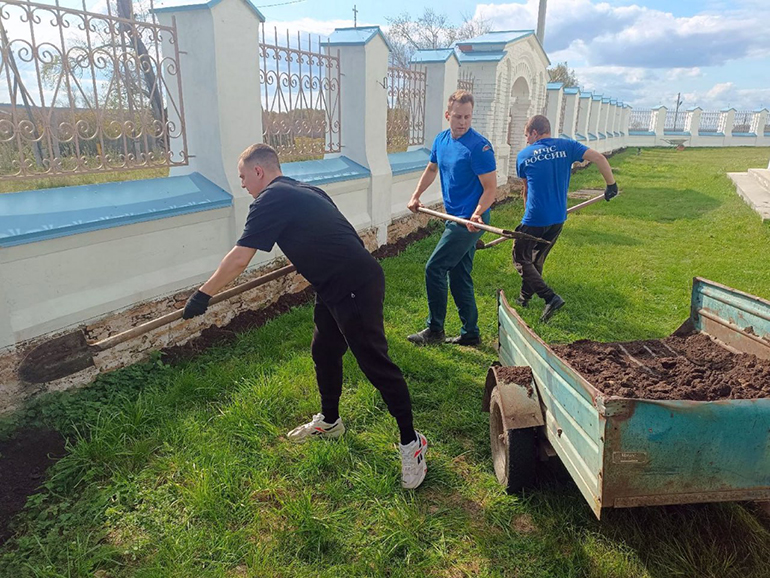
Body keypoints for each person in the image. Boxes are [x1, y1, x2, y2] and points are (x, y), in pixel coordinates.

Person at [182, 144, 428, 490]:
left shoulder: (269, 199)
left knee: (374, 362)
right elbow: (327, 233)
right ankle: (330, 421)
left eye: (242, 177)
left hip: (353, 284)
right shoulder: (303, 189)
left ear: (258, 172)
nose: (242, 185)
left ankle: (411, 443)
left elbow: (240, 258)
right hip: (335, 283)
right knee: (324, 350)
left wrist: (202, 295)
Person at [406, 90, 497, 346]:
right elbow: (432, 168)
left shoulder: (480, 147)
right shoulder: (441, 140)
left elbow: (491, 188)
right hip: (453, 217)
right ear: (448, 115)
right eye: (458, 116)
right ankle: (471, 334)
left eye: (467, 117)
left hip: (469, 221)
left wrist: (476, 215)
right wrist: (416, 195)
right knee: (459, 275)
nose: (463, 122)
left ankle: (435, 329)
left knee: (434, 268)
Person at [514, 114, 618, 322]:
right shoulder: (567, 146)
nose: (526, 140)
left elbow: (526, 190)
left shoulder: (525, 155)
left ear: (535, 133)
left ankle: (550, 297)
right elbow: (599, 158)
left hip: (536, 217)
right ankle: (524, 298)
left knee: (520, 258)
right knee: (537, 258)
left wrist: (528, 216)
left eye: (527, 135)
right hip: (558, 218)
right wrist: (611, 185)